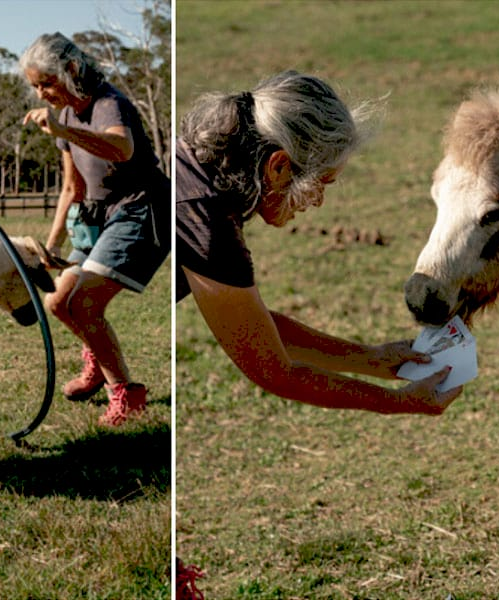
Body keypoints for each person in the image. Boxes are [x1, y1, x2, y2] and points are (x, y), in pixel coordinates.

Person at [177, 70, 462, 416]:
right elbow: (274, 371)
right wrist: (398, 401)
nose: (318, 201)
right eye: (321, 183)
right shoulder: (206, 221)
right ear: (278, 166)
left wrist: (370, 359)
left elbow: (255, 328)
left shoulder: (202, 176)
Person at [21, 32, 170, 426]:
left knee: (85, 304)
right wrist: (49, 247)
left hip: (142, 209)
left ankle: (125, 392)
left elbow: (122, 149)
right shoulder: (66, 115)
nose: (40, 95)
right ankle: (97, 361)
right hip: (97, 216)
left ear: (71, 70)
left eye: (46, 83)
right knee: (58, 300)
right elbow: (74, 187)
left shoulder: (109, 103)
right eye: (35, 86)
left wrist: (63, 132)